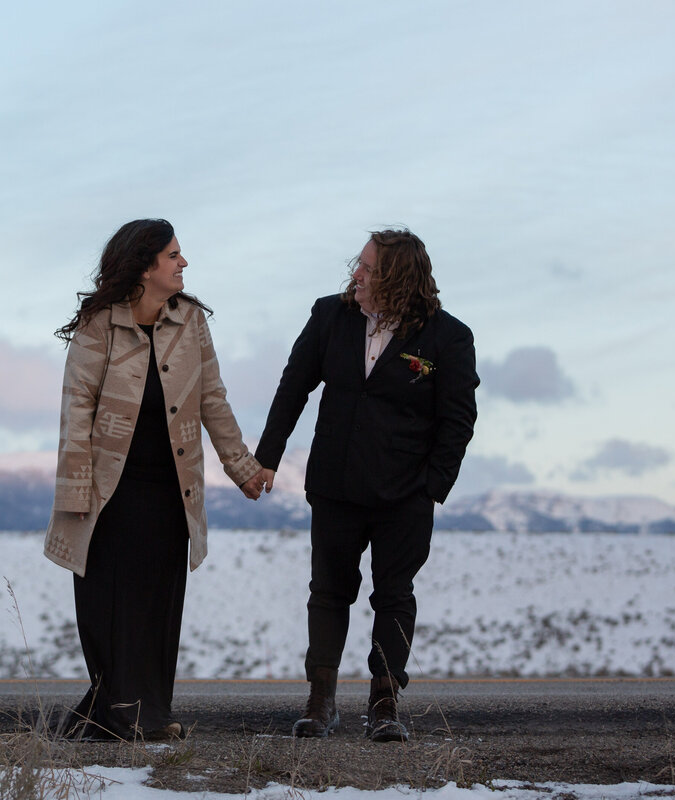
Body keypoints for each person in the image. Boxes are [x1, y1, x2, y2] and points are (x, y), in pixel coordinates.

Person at [45, 218, 265, 741]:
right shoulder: (100, 324)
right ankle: (122, 714)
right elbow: (77, 410)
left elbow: (212, 398)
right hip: (109, 490)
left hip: (172, 490)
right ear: (146, 267)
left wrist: (244, 468)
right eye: (173, 255)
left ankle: (149, 715)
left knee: (158, 607)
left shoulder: (190, 321)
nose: (182, 262)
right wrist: (75, 489)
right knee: (111, 606)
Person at [254, 228, 478, 742]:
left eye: (369, 268)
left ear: (397, 278)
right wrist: (268, 457)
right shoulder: (329, 316)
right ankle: (321, 701)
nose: (356, 274)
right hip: (334, 486)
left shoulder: (448, 337)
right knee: (328, 593)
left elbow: (458, 420)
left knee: (394, 595)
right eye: (359, 264)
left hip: (405, 496)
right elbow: (294, 386)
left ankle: (384, 702)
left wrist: (431, 488)